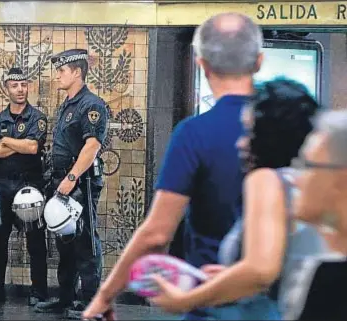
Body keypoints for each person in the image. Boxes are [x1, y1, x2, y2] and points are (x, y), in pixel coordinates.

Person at [83, 13, 263, 320]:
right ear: (259, 62)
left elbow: (156, 233)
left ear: (201, 63)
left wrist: (104, 296)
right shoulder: (295, 129)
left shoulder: (195, 134)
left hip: (211, 306)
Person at [148, 79, 325, 319]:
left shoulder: (266, 180)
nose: (241, 143)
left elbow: (260, 271)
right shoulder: (308, 185)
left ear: (270, 137)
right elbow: (285, 270)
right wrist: (230, 276)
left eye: (250, 132)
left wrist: (186, 300)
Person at [34, 49, 108, 319]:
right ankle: (66, 298)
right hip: (62, 181)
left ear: (77, 72)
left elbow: (92, 146)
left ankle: (91, 304)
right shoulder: (68, 104)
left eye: (62, 71)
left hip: (81, 182)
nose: (57, 76)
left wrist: (72, 178)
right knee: (65, 240)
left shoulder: (92, 105)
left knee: (86, 241)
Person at [0, 67, 48, 306]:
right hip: (2, 187)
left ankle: (39, 293)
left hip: (29, 186)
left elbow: (33, 148)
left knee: (35, 241)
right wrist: (17, 145)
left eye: (23, 85)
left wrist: (7, 142)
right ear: (6, 88)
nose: (20, 90)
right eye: (14, 86)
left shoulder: (37, 117)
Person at [281, 109, 347, 320]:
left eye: (307, 166)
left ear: (341, 180)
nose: (296, 178)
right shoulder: (326, 274)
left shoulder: (332, 282)